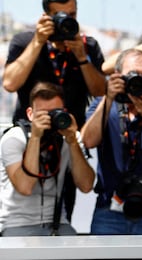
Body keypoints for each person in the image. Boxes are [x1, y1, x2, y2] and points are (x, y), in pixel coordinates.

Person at [2, 0, 106, 221]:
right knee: (23, 200)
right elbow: (9, 82)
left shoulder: (88, 46)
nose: (66, 22)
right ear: (46, 16)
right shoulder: (25, 41)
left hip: (68, 137)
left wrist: (81, 58)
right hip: (31, 136)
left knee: (63, 206)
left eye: (72, 15)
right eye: (60, 16)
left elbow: (101, 91)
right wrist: (38, 41)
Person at [81, 48, 142, 234]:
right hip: (109, 207)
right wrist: (108, 98)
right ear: (117, 75)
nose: (139, 79)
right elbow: (88, 141)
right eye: (133, 74)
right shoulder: (103, 105)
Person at [0, 82, 95, 236]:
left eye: (55, 112)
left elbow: (86, 186)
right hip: (17, 222)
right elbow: (25, 187)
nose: (50, 119)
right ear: (30, 114)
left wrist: (72, 142)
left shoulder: (69, 138)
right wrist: (35, 138)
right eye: (43, 114)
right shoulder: (14, 138)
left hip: (57, 222)